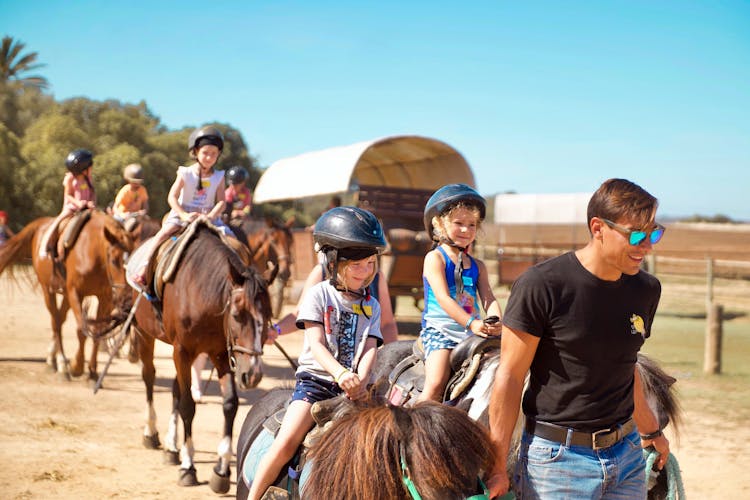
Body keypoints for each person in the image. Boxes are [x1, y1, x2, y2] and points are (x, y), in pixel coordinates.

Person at [486, 178, 671, 499]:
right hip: (558, 464)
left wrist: (650, 429)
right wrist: (497, 466)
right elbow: (510, 377)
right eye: (637, 234)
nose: (648, 245)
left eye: (654, 232)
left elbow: (626, 367)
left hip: (627, 457)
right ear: (598, 228)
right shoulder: (541, 285)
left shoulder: (646, 289)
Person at [247, 206, 386, 500]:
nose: (366, 272)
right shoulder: (319, 294)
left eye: (370, 264)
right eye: (357, 265)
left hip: (355, 388)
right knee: (286, 443)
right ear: (333, 262)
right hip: (317, 384)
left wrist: (361, 378)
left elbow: (370, 346)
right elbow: (317, 343)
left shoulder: (372, 305)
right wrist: (341, 373)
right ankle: (255, 496)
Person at [417, 183, 502, 402]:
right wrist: (472, 323)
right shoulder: (435, 259)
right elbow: (443, 298)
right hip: (440, 331)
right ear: (439, 224)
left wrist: (497, 321)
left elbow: (489, 298)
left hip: (471, 332)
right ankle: (411, 425)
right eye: (459, 223)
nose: (466, 230)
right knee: (436, 382)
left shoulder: (477, 265)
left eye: (472, 225)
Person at [131, 125, 233, 287]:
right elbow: (172, 196)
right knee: (162, 234)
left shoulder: (219, 176)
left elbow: (221, 201)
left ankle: (240, 277)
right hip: (183, 214)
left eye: (214, 154)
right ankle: (144, 268)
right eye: (205, 153)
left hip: (208, 216)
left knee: (232, 239)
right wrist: (184, 215)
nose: (209, 157)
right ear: (196, 152)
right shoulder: (185, 173)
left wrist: (212, 216)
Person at [39, 149, 97, 259]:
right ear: (83, 168)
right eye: (90, 166)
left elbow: (93, 192)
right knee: (58, 222)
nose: (92, 168)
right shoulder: (70, 178)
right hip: (72, 208)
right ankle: (45, 245)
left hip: (87, 207)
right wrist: (78, 203)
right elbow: (68, 195)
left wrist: (92, 202)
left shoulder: (88, 178)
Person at [112, 163, 149, 231]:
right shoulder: (125, 190)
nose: (136, 184)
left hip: (135, 215)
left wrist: (144, 211)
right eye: (134, 182)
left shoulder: (142, 190)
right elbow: (115, 208)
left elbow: (145, 205)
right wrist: (122, 215)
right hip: (122, 216)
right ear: (129, 180)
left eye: (138, 182)